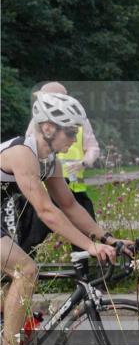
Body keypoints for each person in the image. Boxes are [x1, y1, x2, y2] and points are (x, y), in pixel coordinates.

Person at [1, 93, 130, 345]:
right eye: (70, 132)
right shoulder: (22, 154)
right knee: (25, 270)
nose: (74, 139)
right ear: (48, 128)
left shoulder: (50, 163)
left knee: (9, 290)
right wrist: (89, 246)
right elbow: (46, 210)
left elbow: (70, 206)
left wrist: (107, 239)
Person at [23, 82, 101, 251]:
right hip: (44, 190)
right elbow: (30, 148)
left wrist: (83, 163)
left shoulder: (81, 122)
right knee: (32, 240)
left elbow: (93, 147)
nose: (72, 138)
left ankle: (84, 273)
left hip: (73, 188)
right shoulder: (38, 124)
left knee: (87, 234)